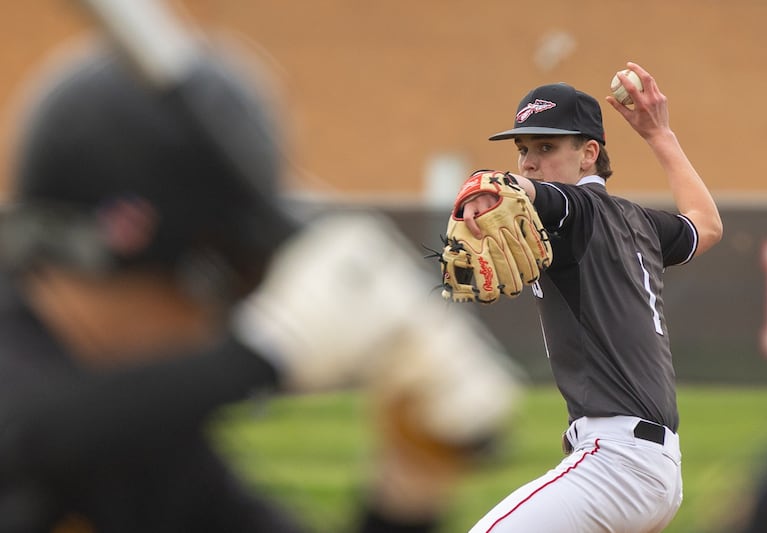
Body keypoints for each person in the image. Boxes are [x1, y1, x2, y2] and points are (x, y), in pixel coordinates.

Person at [0, 38, 518, 533]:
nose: (222, 313)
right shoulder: (47, 413)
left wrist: (410, 488)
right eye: (227, 277)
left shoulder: (156, 456)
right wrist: (266, 351)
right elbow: (29, 443)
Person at [457, 62, 723, 532]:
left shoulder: (574, 210)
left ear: (588, 154)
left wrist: (485, 184)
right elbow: (706, 224)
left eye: (546, 146)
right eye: (523, 150)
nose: (530, 162)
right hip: (651, 467)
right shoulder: (640, 222)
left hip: (615, 463)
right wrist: (660, 135)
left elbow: (527, 191)